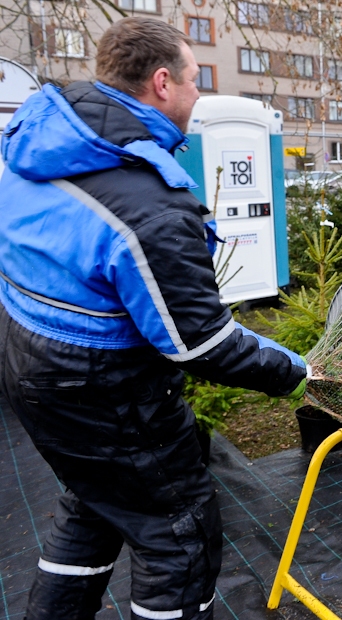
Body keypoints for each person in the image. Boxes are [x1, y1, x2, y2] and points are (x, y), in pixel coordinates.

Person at [0, 18, 308, 620]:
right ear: (162, 83)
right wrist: (298, 370)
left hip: (27, 363)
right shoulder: (149, 203)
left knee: (93, 503)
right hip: (102, 390)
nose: (198, 96)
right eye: (195, 81)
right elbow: (203, 343)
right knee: (178, 534)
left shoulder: (40, 145)